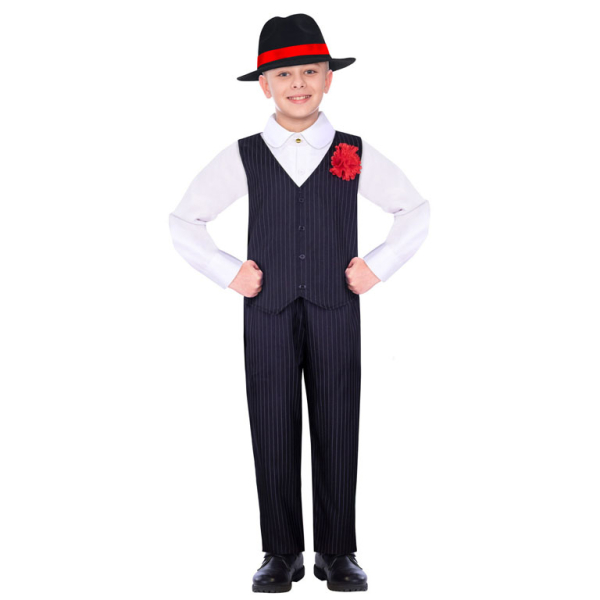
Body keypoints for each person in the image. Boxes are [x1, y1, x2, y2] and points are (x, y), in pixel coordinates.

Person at [169, 13, 430, 593]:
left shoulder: (352, 152)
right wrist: (228, 271)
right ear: (264, 85)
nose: (298, 84)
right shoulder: (244, 155)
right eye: (284, 74)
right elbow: (184, 220)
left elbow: (415, 209)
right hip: (267, 312)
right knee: (272, 426)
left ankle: (337, 552)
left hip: (336, 310)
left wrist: (378, 265)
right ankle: (281, 551)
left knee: (338, 424)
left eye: (310, 71)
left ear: (329, 78)